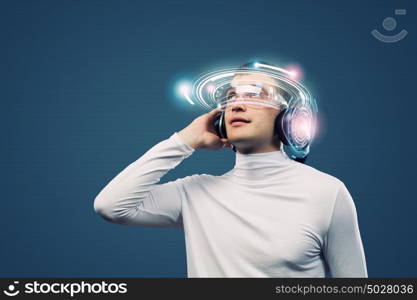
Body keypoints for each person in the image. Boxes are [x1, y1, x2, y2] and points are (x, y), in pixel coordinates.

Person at [93, 66, 368, 278]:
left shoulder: (327, 192)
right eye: (231, 97)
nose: (236, 104)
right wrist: (185, 140)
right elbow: (111, 206)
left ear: (289, 118)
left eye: (255, 95)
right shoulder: (195, 193)